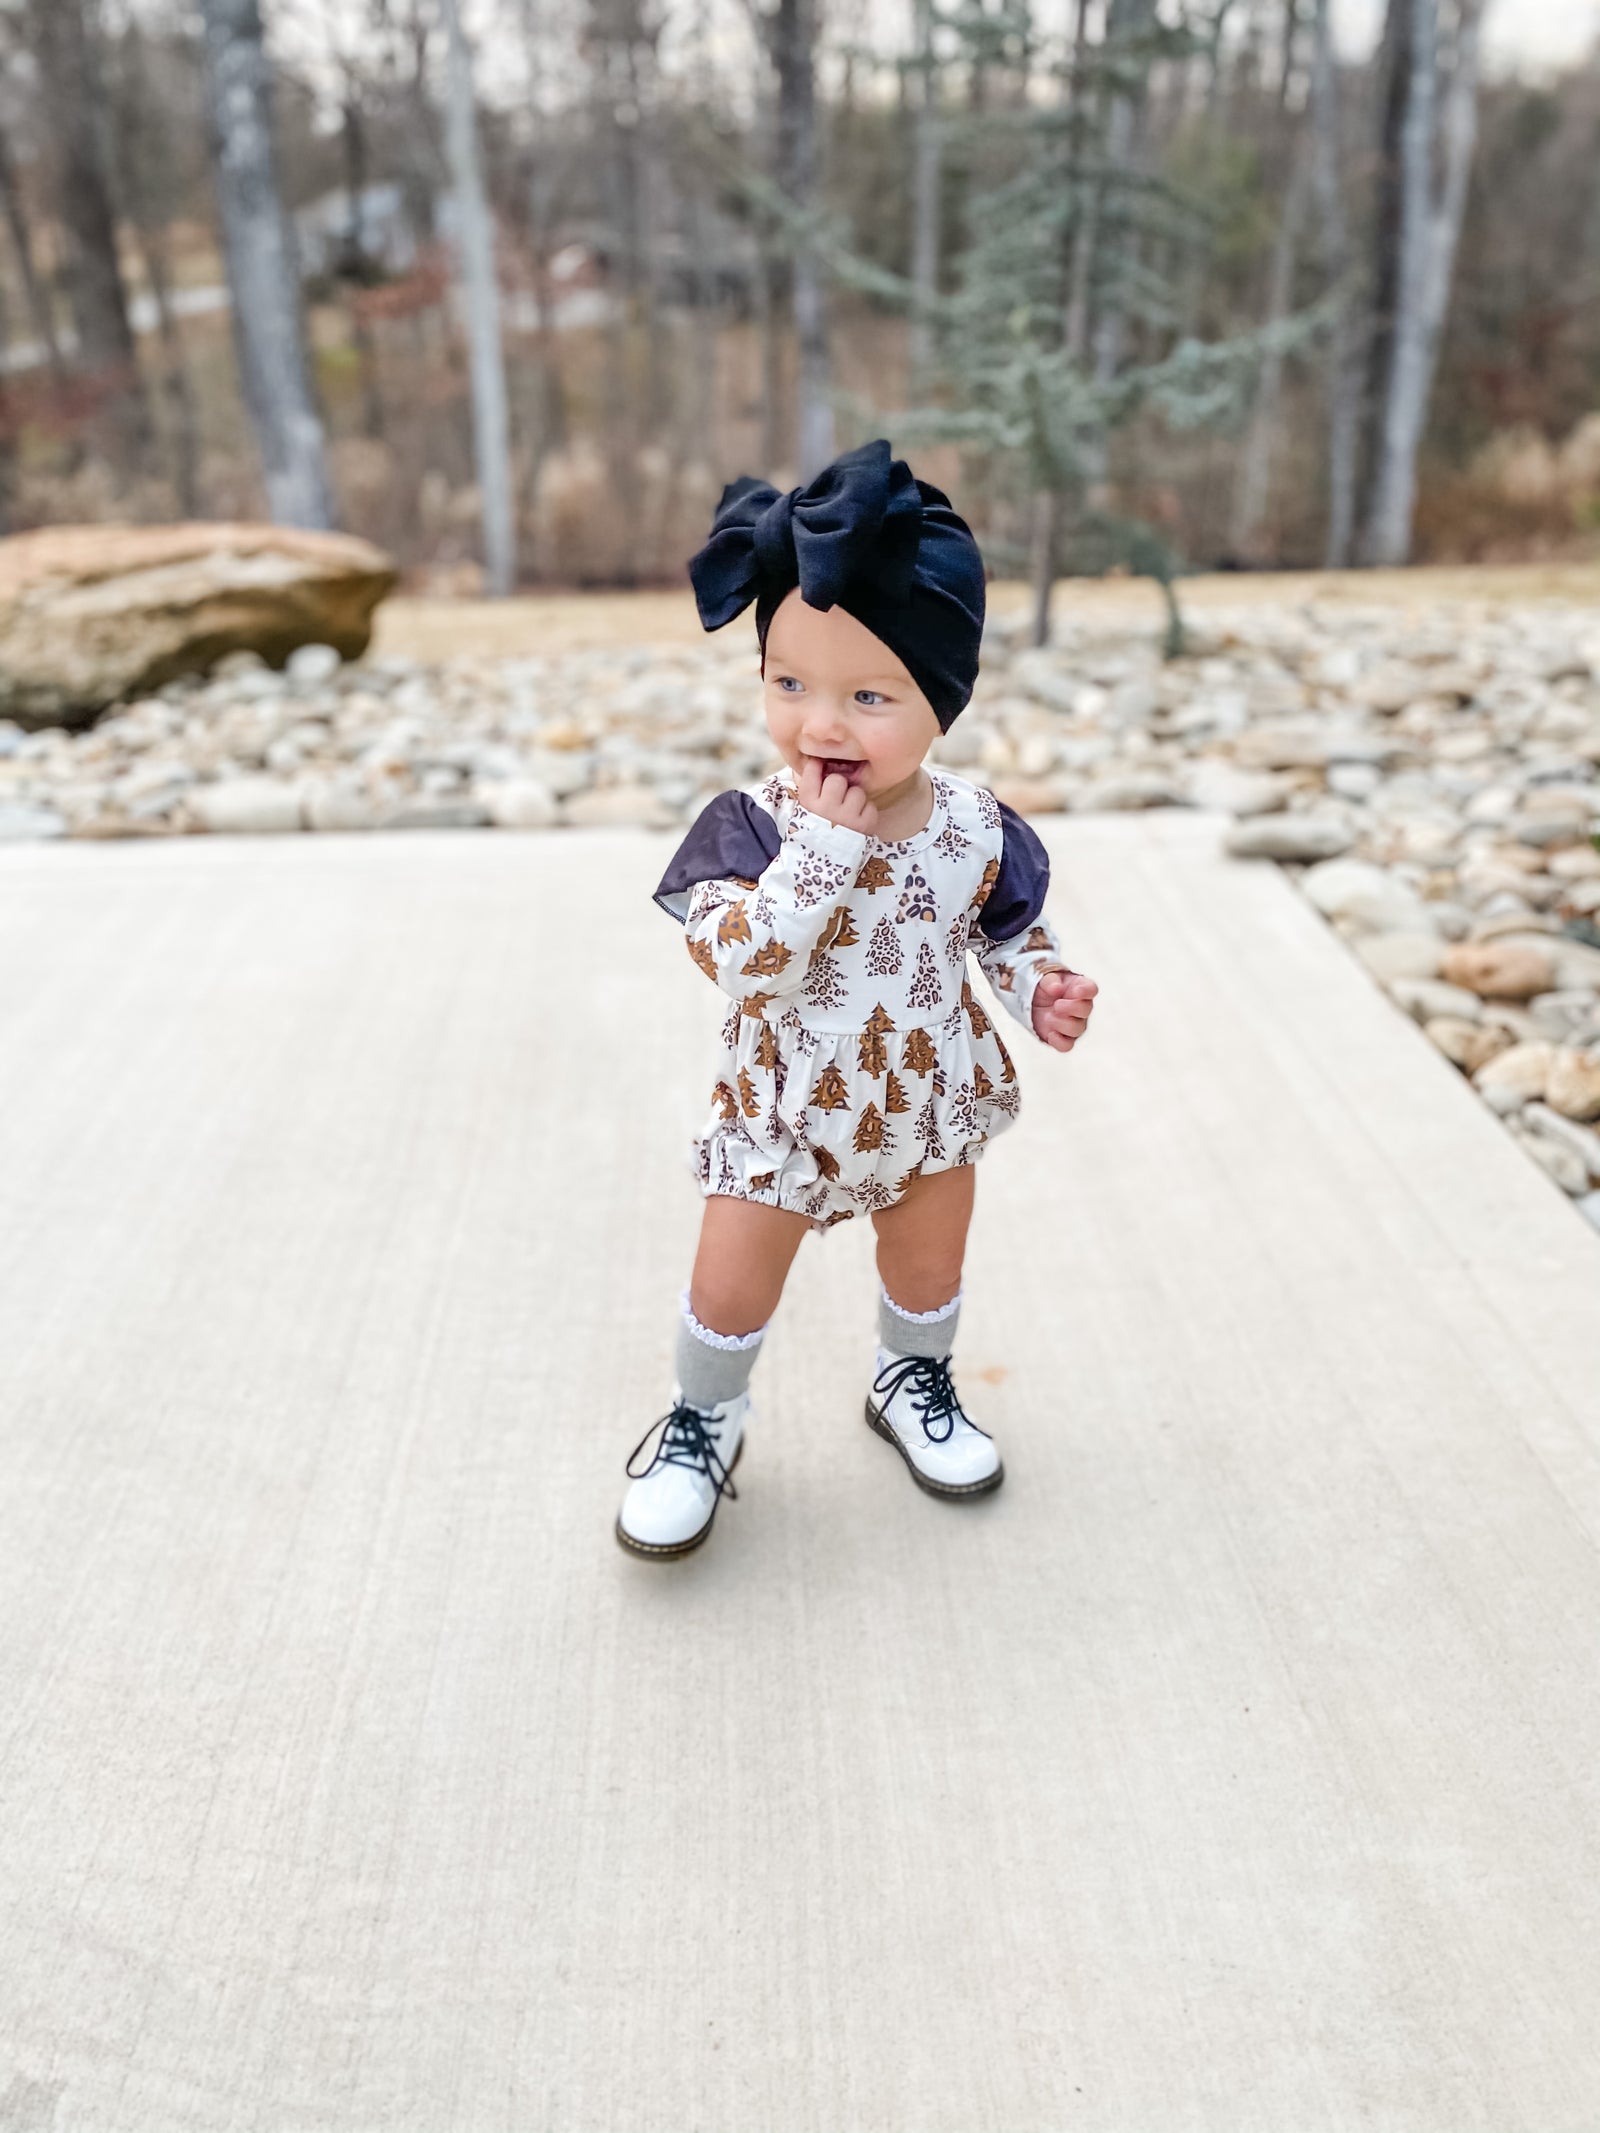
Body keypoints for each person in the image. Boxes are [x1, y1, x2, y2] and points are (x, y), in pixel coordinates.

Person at [616, 438, 1099, 1559]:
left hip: (925, 1103)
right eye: (788, 684)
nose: (820, 723)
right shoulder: (753, 828)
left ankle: (910, 1381)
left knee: (928, 1263)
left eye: (867, 695)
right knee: (730, 1283)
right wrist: (821, 854)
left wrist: (1042, 988)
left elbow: (1003, 929)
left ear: (942, 703)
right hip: (780, 1114)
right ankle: (704, 1420)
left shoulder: (973, 826)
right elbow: (742, 958)